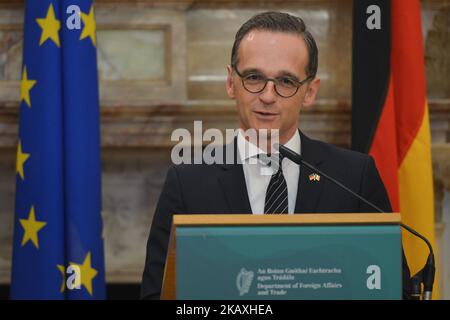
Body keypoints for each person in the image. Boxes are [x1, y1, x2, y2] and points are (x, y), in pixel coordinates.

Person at [141, 11, 410, 299]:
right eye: (254, 77)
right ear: (231, 82)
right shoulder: (187, 182)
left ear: (309, 91)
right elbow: (156, 294)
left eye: (285, 82)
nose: (268, 96)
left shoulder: (353, 176)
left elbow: (395, 289)